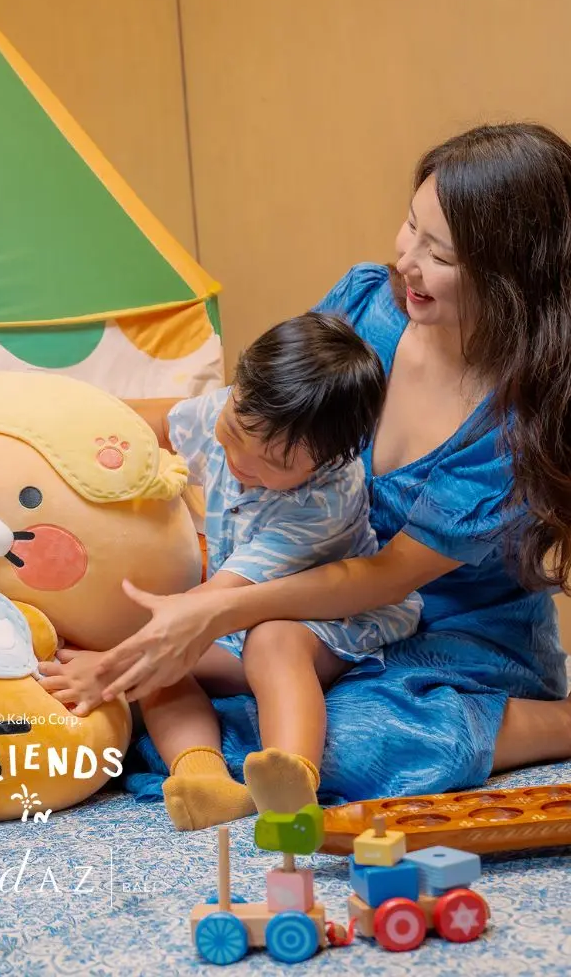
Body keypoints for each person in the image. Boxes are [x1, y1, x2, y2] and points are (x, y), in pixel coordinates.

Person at [77, 123, 571, 801]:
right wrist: (67, 417)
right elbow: (254, 410)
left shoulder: (512, 425)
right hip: (307, 605)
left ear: (513, 276)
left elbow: (386, 577)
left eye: (439, 254)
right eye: (411, 226)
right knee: (174, 685)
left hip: (451, 634)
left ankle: (555, 723)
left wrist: (221, 611)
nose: (407, 261)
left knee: (351, 745)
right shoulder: (366, 305)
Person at [40, 313, 421, 830]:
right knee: (164, 669)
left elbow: (213, 603)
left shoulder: (322, 504)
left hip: (327, 619)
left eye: (275, 464)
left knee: (272, 641)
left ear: (329, 461)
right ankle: (204, 778)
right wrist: (67, 432)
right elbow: (142, 428)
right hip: (233, 617)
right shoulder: (230, 410)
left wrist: (107, 669)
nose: (240, 460)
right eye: (235, 432)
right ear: (238, 389)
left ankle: (292, 782)